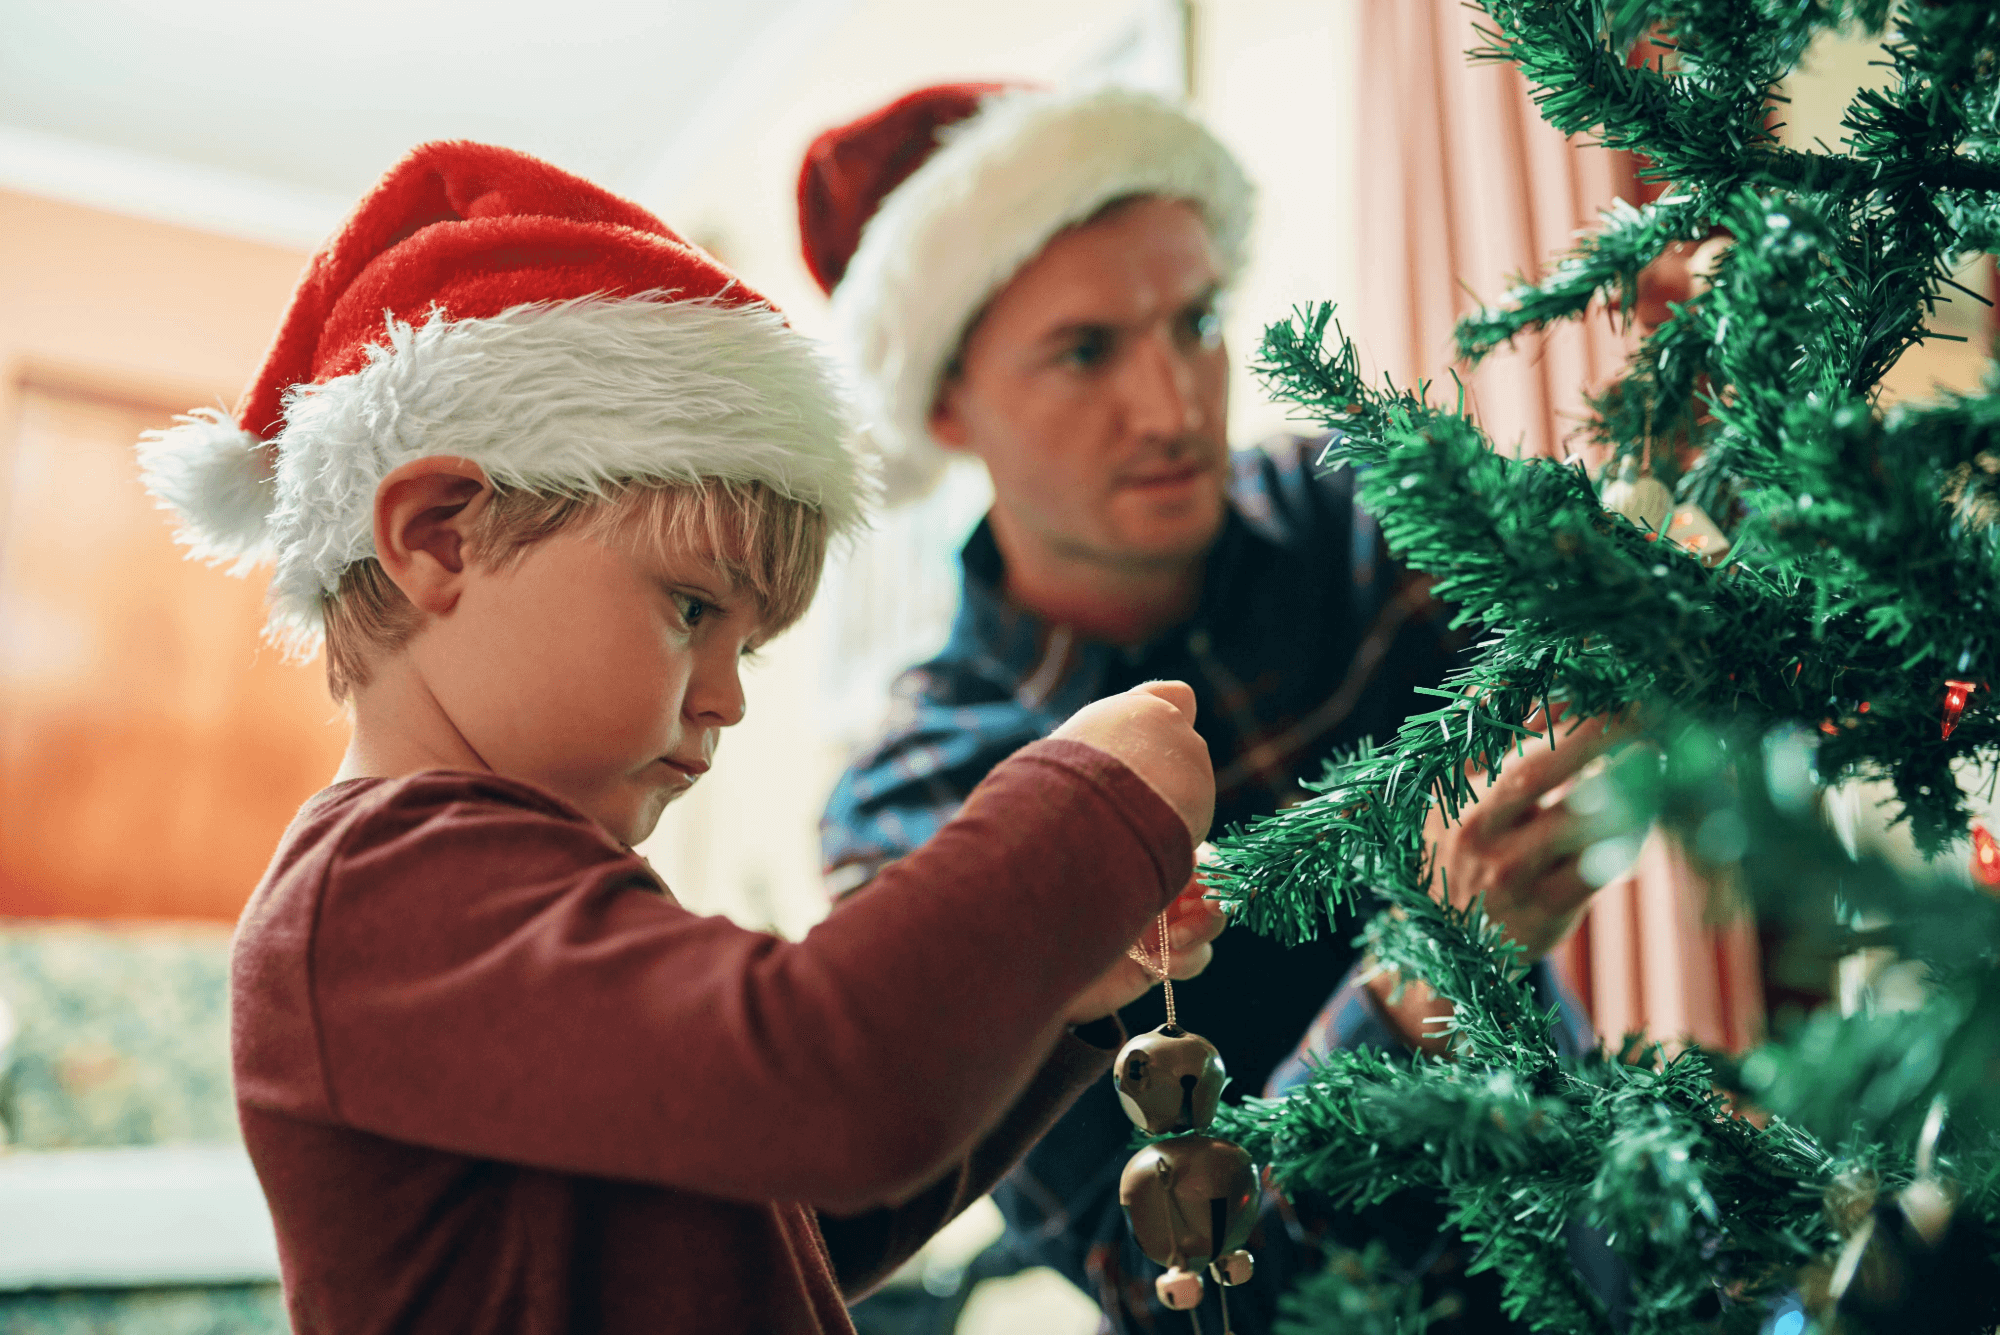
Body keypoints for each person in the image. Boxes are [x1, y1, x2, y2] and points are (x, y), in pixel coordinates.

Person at [137, 139, 1226, 1335]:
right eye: (691, 608)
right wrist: (1086, 803)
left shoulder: (516, 873)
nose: (728, 698)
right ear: (441, 535)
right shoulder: (381, 889)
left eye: (745, 645)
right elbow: (827, 1085)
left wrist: (1064, 1001)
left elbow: (796, 1205)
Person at [802, 85, 1623, 1331]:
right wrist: (1418, 989)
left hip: (1613, 1256)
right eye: (1084, 351)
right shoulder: (925, 804)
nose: (1176, 405)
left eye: (1193, 322)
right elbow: (1154, 1287)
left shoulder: (1351, 516)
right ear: (946, 408)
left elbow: (1619, 610)